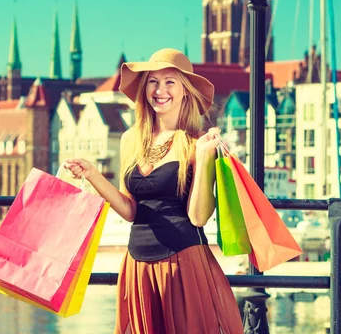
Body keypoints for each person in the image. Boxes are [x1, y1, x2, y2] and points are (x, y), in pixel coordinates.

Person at [65, 48, 243, 333]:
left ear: (186, 91)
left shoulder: (197, 141)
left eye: (170, 82)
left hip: (183, 264)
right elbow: (130, 210)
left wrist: (205, 155)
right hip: (137, 265)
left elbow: (198, 217)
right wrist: (93, 176)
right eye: (153, 82)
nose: (160, 90)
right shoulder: (130, 139)